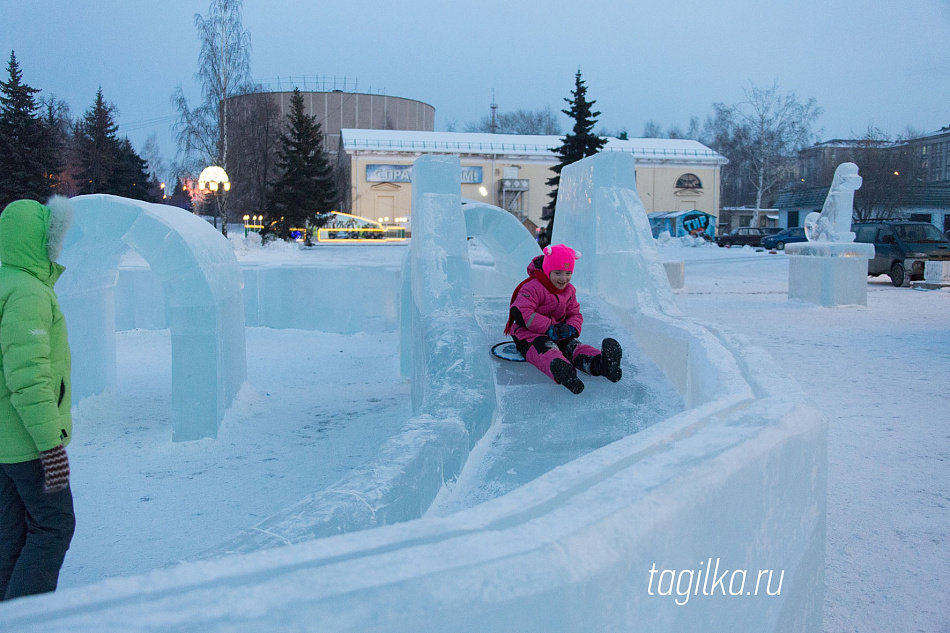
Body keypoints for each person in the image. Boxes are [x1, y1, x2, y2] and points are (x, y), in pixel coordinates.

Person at [0, 197, 75, 600]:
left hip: (4, 444)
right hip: (27, 443)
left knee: (13, 535)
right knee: (54, 525)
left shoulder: (6, 282)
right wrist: (50, 447)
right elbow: (28, 379)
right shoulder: (28, 293)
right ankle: (27, 621)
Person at [504, 244, 622, 394]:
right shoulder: (533, 288)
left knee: (573, 346)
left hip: (558, 332)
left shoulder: (569, 291)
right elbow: (521, 311)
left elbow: (574, 314)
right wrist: (548, 327)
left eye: (568, 273)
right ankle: (561, 370)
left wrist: (571, 327)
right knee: (545, 350)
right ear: (547, 269)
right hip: (529, 334)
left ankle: (600, 363)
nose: (563, 278)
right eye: (558, 273)